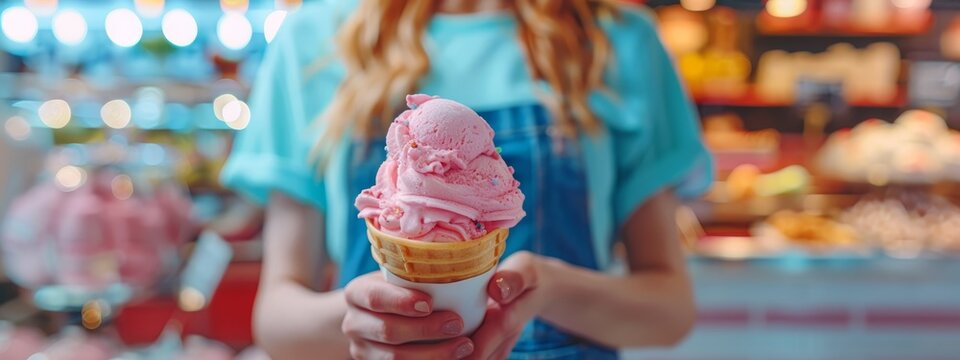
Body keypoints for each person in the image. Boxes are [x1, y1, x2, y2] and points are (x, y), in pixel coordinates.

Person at [221, 0, 713, 359]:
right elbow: (276, 319)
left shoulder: (621, 40)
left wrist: (550, 288)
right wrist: (359, 320)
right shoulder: (313, 38)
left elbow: (669, 310)